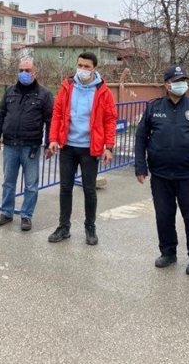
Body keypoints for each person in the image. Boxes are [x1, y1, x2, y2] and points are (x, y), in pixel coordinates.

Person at [134, 65, 189, 276]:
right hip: (160, 175)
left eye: (184, 80)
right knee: (164, 216)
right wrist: (140, 165)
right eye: (177, 81)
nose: (181, 84)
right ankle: (168, 253)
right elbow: (141, 137)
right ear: (167, 84)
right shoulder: (154, 107)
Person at [47, 52, 117, 245]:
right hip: (68, 146)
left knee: (89, 190)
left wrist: (109, 147)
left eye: (87, 67)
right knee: (65, 188)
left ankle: (90, 227)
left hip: (89, 148)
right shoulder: (67, 86)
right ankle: (63, 227)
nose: (83, 70)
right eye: (80, 65)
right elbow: (57, 114)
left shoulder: (103, 91)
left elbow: (110, 120)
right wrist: (53, 139)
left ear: (95, 68)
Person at [0, 57, 53, 231]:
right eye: (21, 70)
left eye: (27, 70)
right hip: (10, 145)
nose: (24, 73)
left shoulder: (44, 94)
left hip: (30, 146)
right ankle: (6, 212)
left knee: (31, 184)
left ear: (35, 73)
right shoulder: (10, 91)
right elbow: (0, 115)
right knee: (8, 182)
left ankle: (26, 215)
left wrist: (49, 143)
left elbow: (50, 121)